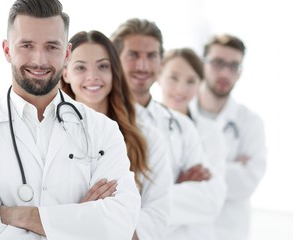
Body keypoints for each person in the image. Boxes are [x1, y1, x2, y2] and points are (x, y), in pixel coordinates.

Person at [0, 1, 141, 239]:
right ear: (7, 50)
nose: (39, 60)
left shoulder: (103, 130)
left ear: (67, 53)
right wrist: (79, 221)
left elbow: (119, 225)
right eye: (27, 45)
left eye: (51, 46)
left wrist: (21, 216)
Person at [110, 18, 226, 239]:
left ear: (161, 61)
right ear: (115, 59)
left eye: (151, 55)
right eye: (133, 55)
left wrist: (153, 197)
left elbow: (211, 200)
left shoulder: (181, 125)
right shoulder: (102, 121)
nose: (143, 65)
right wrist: (173, 188)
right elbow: (103, 206)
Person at [60, 30, 173, 240]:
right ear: (65, 73)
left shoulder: (147, 138)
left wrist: (91, 222)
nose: (92, 76)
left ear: (114, 72)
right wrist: (94, 219)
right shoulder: (49, 134)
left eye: (103, 66)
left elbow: (157, 215)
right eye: (80, 67)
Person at [189, 34, 267, 240]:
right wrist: (230, 167)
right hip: (184, 230)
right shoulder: (179, 115)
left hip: (228, 232)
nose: (225, 72)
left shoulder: (250, 123)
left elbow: (247, 183)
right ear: (202, 64)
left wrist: (195, 171)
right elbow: (167, 179)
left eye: (234, 66)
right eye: (217, 63)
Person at [158, 48, 228, 239]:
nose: (181, 89)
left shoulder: (210, 133)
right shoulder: (139, 126)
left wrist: (161, 191)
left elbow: (212, 199)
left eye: (191, 81)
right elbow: (134, 199)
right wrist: (183, 186)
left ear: (200, 85)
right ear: (159, 75)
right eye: (173, 77)